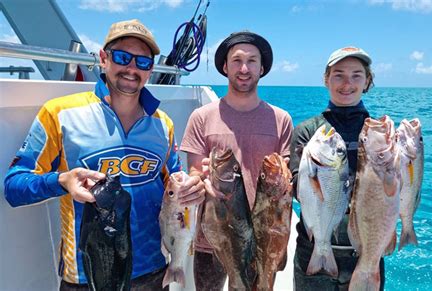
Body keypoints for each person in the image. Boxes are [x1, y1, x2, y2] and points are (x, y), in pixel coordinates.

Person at [3, 19, 205, 290]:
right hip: (88, 275)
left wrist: (193, 190)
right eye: (123, 57)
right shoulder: (59, 114)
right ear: (103, 59)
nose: (132, 68)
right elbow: (14, 187)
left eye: (142, 62)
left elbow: (174, 184)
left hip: (153, 271)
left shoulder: (164, 124)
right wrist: (62, 181)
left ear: (150, 70)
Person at [180, 31, 294, 290]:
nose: (244, 68)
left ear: (262, 68)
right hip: (213, 234)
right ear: (225, 66)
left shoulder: (281, 119)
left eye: (252, 61)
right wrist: (200, 180)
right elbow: (195, 172)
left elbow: (286, 180)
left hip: (265, 235)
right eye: (237, 60)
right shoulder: (201, 117)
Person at [290, 46, 385, 290]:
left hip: (365, 251)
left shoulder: (379, 134)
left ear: (367, 81)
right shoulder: (308, 131)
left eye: (356, 75)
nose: (347, 83)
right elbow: (297, 188)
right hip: (312, 250)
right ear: (326, 79)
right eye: (338, 74)